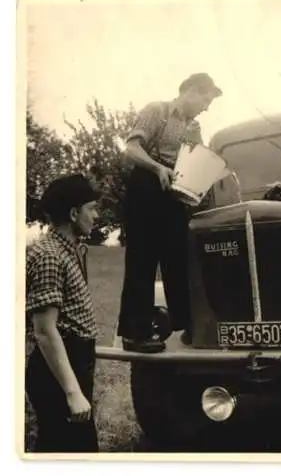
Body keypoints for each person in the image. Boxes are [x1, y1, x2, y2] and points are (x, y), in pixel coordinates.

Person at [117, 73, 222, 353]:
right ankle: (135, 334)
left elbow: (198, 160)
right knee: (143, 261)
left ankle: (188, 326)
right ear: (189, 91)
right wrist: (156, 168)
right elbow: (131, 147)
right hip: (147, 187)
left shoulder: (194, 127)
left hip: (175, 193)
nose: (206, 107)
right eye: (205, 99)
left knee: (180, 259)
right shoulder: (157, 111)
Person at [25, 174, 101, 452]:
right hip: (55, 370)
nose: (96, 215)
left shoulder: (72, 250)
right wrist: (73, 392)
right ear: (73, 213)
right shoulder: (49, 256)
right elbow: (45, 331)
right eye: (91, 208)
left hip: (74, 362)